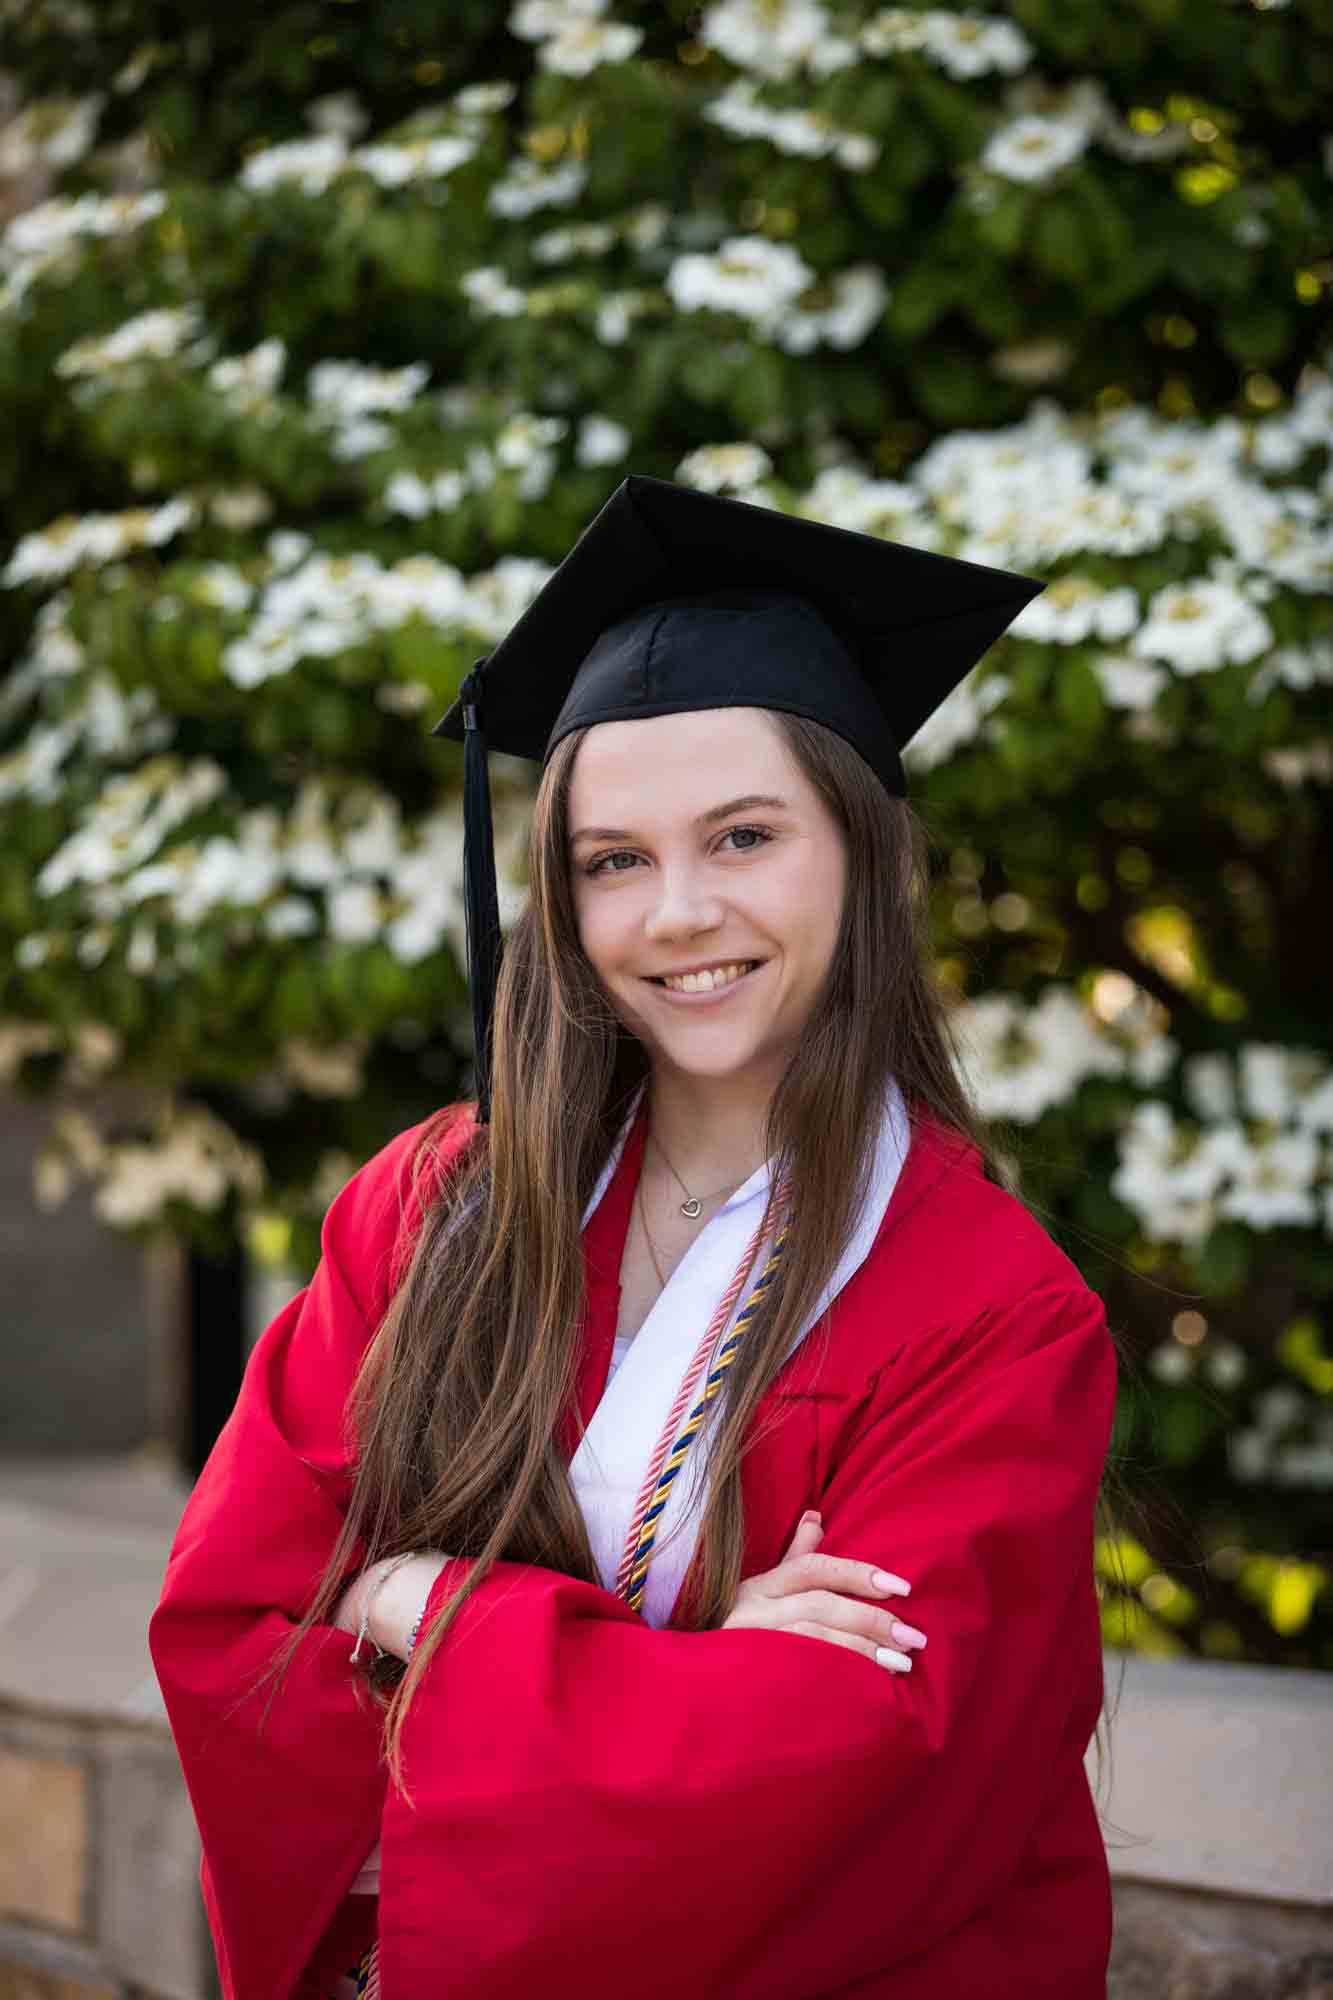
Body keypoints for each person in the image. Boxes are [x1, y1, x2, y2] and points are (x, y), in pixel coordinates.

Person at [149, 474, 1119, 1999]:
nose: (674, 911)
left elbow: (834, 1786)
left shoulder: (990, 1310)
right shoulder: (433, 1209)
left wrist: (410, 1603)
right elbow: (233, 1630)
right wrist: (681, 1678)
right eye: (613, 859)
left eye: (742, 838)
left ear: (861, 855)